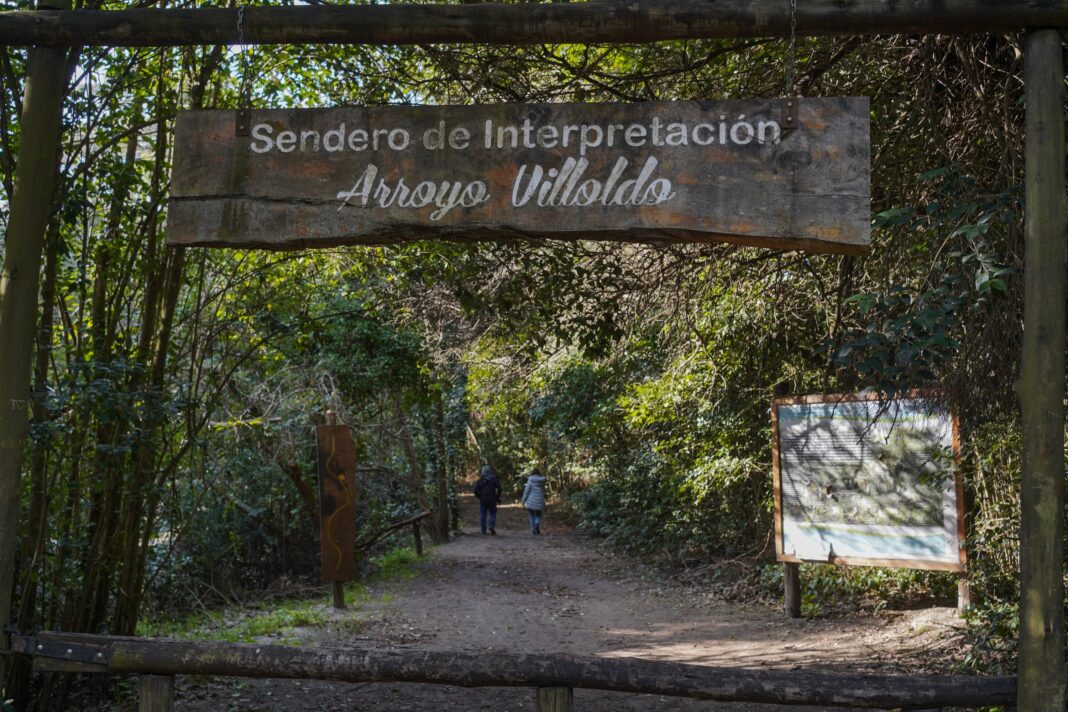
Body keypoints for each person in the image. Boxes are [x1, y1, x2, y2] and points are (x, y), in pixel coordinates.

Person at [473, 464, 502, 535]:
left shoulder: (480, 480)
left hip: (483, 499)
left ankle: (483, 530)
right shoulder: (494, 479)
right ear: (489, 471)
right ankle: (491, 526)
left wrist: (480, 497)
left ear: (482, 472)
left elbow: (475, 491)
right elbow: (500, 488)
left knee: (483, 514)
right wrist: (497, 496)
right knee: (493, 513)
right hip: (492, 498)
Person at [521, 468, 546, 535]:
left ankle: (533, 528)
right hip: (539, 500)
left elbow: (526, 492)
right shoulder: (542, 481)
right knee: (538, 514)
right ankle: (536, 524)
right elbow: (543, 491)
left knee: (531, 515)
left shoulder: (530, 481)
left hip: (530, 501)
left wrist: (523, 501)